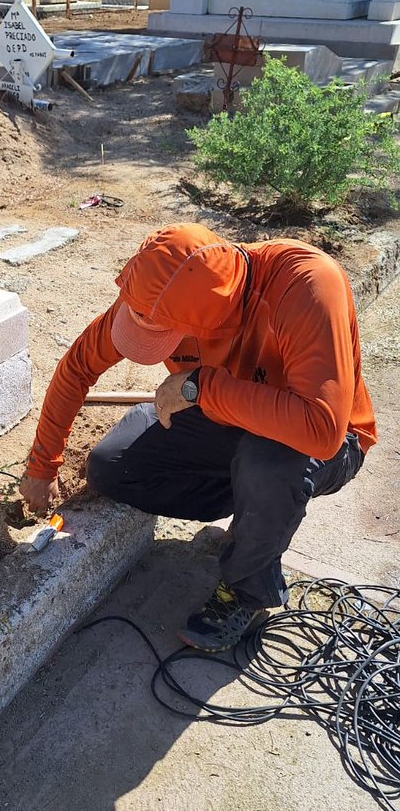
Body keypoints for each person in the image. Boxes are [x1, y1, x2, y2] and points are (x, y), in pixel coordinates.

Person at [20, 223, 377, 652]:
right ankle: (251, 513)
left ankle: (247, 588)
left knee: (267, 463)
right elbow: (78, 367)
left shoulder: (307, 285)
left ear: (214, 320)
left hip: (323, 438)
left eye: (165, 339)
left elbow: (321, 431)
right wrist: (42, 466)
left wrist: (200, 388)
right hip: (229, 418)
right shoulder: (161, 288)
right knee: (112, 466)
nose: (154, 345)